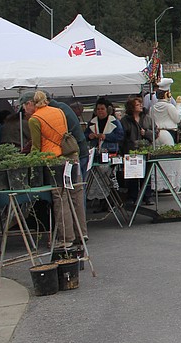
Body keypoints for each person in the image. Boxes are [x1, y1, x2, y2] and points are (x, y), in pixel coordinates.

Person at [22, 90, 85, 249]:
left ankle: (66, 238)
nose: (24, 110)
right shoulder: (59, 111)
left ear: (31, 103)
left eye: (24, 106)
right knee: (75, 193)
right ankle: (81, 232)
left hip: (54, 160)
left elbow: (37, 146)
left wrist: (27, 160)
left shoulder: (35, 119)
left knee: (60, 197)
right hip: (70, 156)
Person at [85, 98, 123, 212]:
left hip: (110, 152)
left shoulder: (114, 122)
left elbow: (120, 136)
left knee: (109, 178)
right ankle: (101, 201)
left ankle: (110, 201)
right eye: (98, 109)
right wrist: (90, 136)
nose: (100, 111)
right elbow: (85, 134)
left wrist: (106, 137)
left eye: (102, 109)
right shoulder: (92, 122)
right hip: (97, 153)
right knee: (97, 178)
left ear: (108, 110)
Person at [149, 81, 181, 191]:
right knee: (170, 159)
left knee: (159, 159)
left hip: (157, 132)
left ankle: (159, 183)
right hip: (168, 132)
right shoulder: (169, 106)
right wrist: (179, 105)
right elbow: (177, 118)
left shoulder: (153, 108)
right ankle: (171, 183)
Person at [118, 95, 155, 206]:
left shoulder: (147, 118)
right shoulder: (125, 120)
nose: (140, 106)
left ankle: (147, 196)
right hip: (131, 151)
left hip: (145, 149)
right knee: (133, 174)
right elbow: (122, 136)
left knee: (147, 174)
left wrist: (146, 133)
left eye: (140, 104)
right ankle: (132, 196)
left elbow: (155, 133)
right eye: (138, 105)